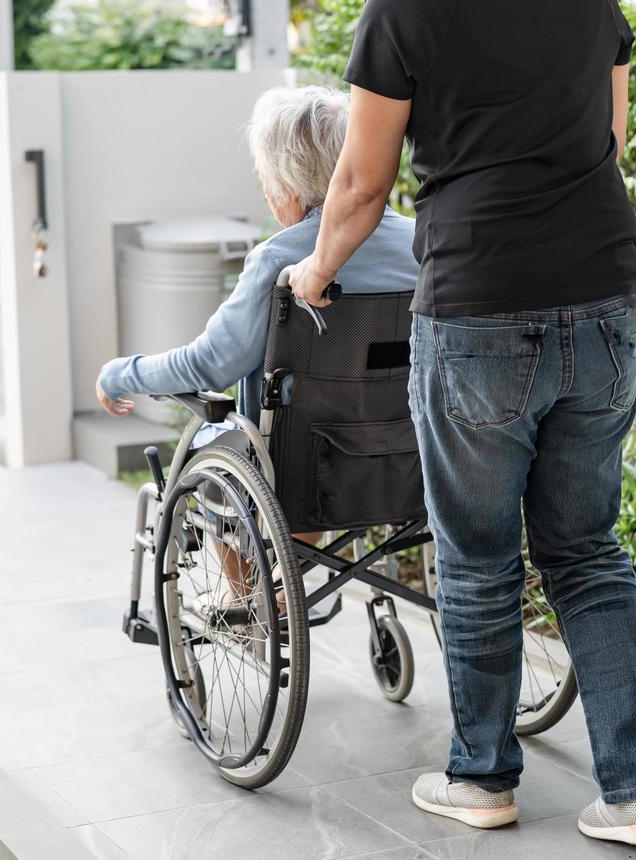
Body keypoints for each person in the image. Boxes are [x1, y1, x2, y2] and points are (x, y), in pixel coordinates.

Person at [284, 0, 636, 846]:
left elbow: (362, 180)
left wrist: (314, 271)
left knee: (474, 558)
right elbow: (611, 140)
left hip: (479, 313)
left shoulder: (405, 4)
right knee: (586, 551)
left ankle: (482, 779)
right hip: (604, 305)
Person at [96, 85, 419, 604]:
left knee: (217, 447)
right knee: (295, 452)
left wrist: (121, 373)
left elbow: (210, 364)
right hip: (408, 452)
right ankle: (283, 581)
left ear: (287, 185)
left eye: (265, 176)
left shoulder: (279, 258)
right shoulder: (422, 243)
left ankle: (245, 598)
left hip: (303, 466)